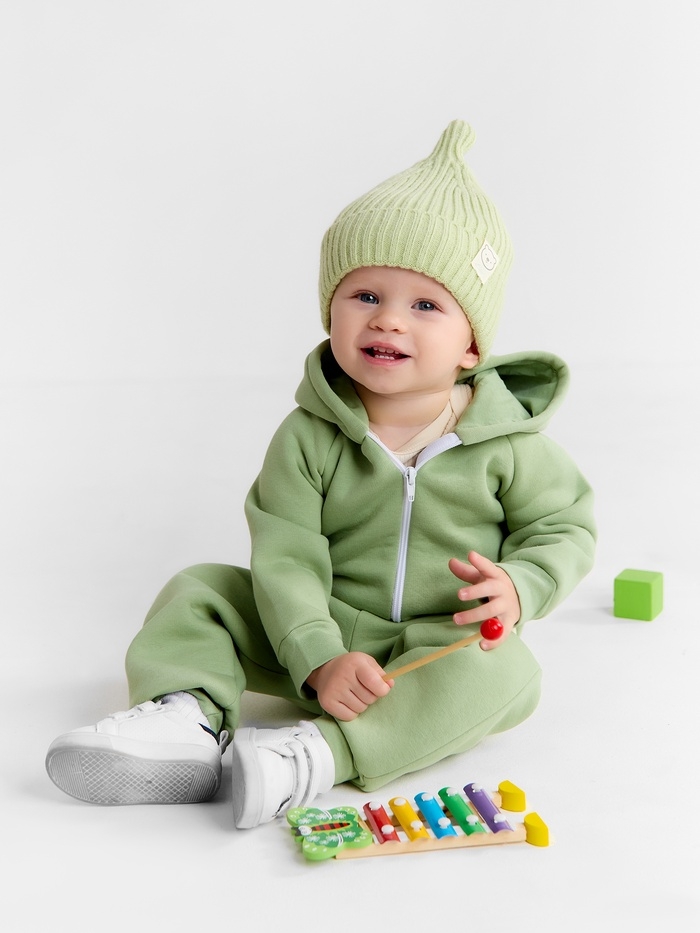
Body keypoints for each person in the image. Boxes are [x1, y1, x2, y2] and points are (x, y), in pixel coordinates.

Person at [45, 120, 596, 828]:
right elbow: (287, 555)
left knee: (509, 673)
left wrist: (521, 585)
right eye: (364, 296)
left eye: (425, 305)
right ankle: (186, 717)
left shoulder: (508, 445)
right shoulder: (308, 437)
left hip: (434, 644)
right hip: (309, 626)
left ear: (472, 346)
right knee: (201, 590)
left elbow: (565, 526)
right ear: (330, 310)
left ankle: (315, 756)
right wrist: (316, 654)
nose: (388, 321)